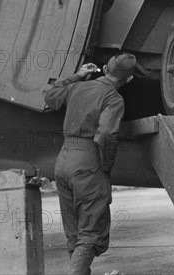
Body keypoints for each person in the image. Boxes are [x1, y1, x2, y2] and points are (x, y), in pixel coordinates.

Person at [44, 53, 137, 274]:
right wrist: (105, 165)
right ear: (129, 79)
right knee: (91, 231)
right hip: (88, 162)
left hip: (63, 160)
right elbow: (105, 134)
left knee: (74, 231)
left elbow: (51, 97)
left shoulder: (77, 87)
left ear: (105, 68)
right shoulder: (114, 99)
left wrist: (76, 76)